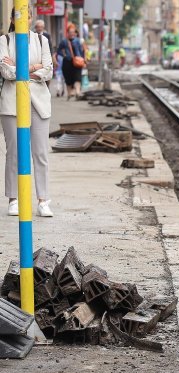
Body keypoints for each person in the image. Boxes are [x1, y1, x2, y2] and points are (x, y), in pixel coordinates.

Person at [1, 9, 54, 217]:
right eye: (19, 16)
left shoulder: (42, 40)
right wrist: (35, 68)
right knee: (13, 152)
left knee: (40, 153)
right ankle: (13, 199)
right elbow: (5, 72)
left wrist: (21, 68)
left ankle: (43, 200)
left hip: (39, 102)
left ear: (31, 19)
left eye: (28, 16)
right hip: (11, 102)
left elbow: (48, 70)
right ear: (13, 19)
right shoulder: (4, 40)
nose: (24, 19)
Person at [56, 23, 84, 99]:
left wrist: (83, 59)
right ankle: (69, 93)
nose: (72, 34)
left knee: (77, 77)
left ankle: (77, 92)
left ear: (75, 33)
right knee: (68, 79)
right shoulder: (64, 41)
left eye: (73, 32)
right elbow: (59, 51)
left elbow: (82, 51)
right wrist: (64, 55)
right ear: (67, 33)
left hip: (77, 62)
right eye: (70, 32)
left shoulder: (78, 41)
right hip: (67, 62)